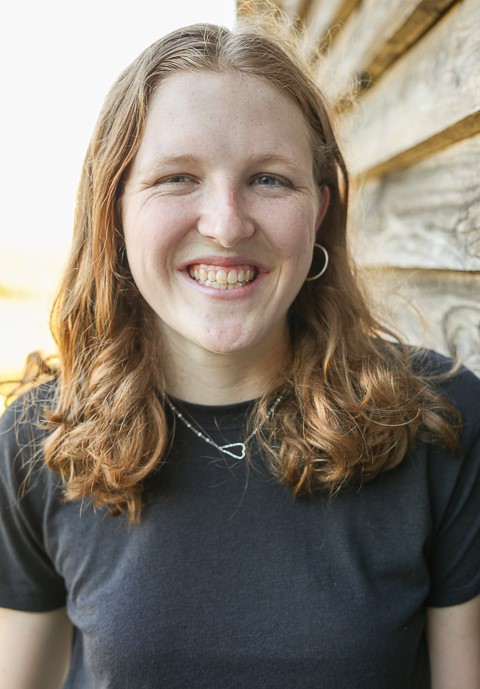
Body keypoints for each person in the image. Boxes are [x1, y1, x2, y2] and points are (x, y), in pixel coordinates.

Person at [0, 16, 479, 689]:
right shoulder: (37, 440)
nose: (226, 223)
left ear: (321, 209)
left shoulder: (438, 422)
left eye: (270, 180)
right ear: (113, 210)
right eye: (177, 178)